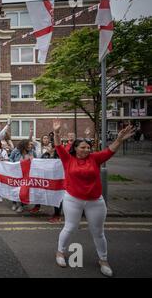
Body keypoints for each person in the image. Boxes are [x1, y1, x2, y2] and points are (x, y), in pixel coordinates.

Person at [52, 119, 135, 277]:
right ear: (75, 148)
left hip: (95, 201)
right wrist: (56, 132)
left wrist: (119, 139)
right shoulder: (68, 159)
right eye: (83, 147)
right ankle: (60, 253)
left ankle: (103, 260)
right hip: (72, 199)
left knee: (98, 232)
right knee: (70, 227)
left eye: (88, 147)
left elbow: (110, 151)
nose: (86, 149)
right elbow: (58, 146)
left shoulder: (95, 158)